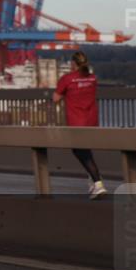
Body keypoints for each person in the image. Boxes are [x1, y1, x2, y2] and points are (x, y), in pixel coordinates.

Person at [54, 50, 106, 199]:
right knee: (85, 151)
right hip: (92, 121)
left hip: (77, 121)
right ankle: (94, 180)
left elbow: (56, 98)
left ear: (73, 63)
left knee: (80, 151)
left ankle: (98, 183)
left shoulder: (67, 79)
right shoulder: (93, 78)